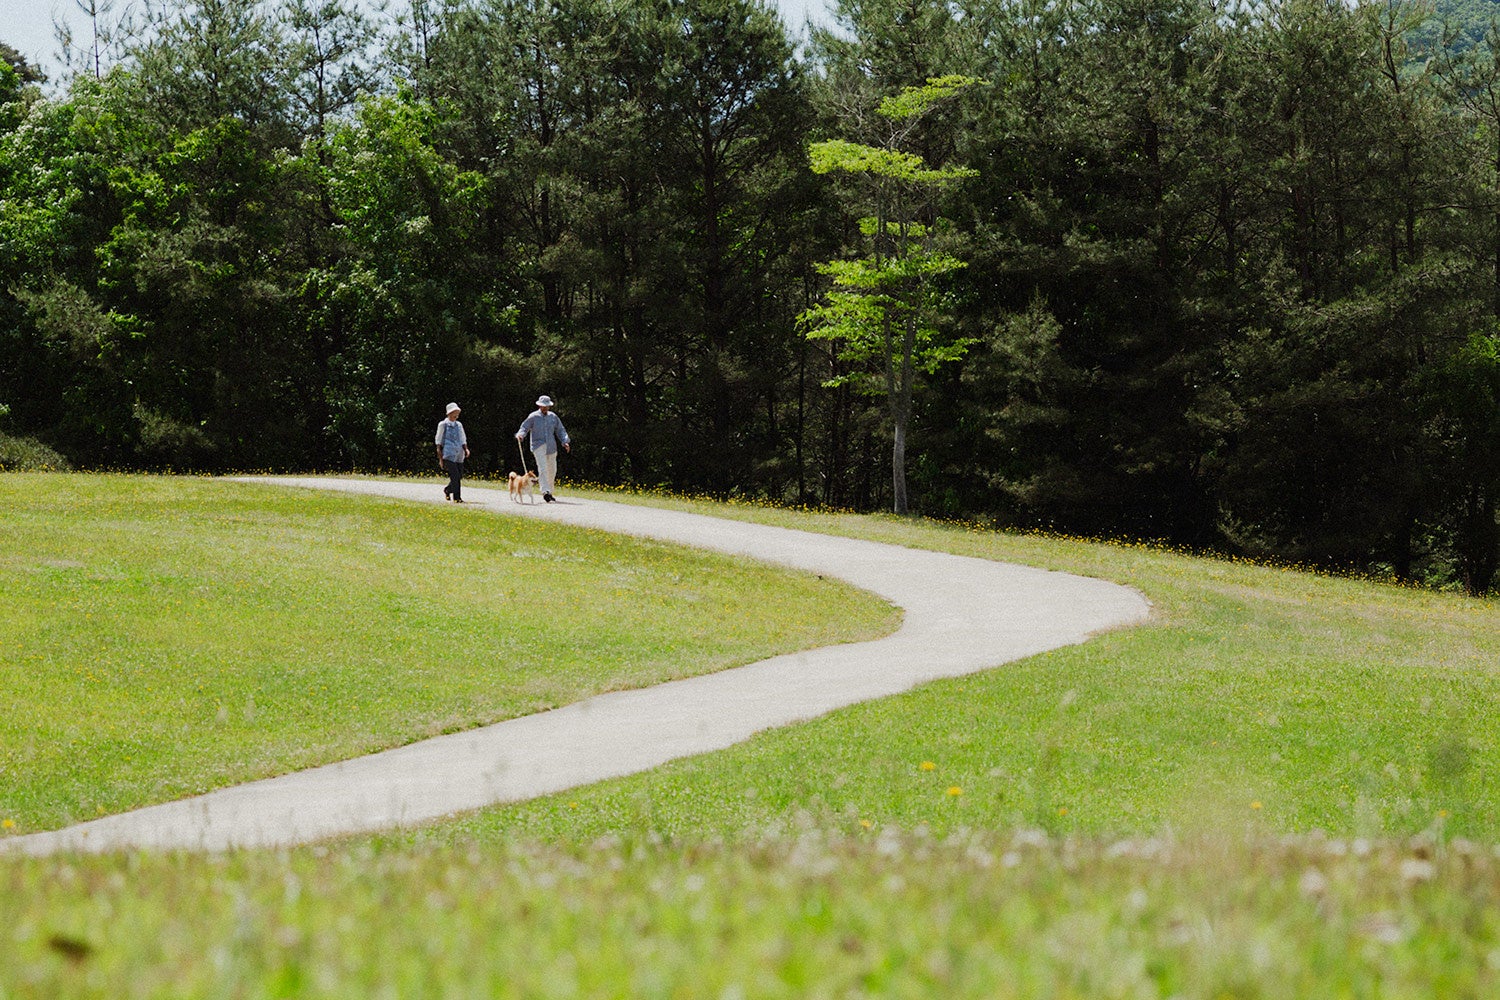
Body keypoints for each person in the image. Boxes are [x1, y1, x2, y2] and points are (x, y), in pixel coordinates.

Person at [515, 394, 570, 502]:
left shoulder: (553, 417)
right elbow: (524, 427)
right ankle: (545, 492)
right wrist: (520, 435)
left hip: (551, 446)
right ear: (539, 406)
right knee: (543, 468)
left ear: (549, 406)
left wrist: (565, 442)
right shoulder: (533, 416)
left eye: (546, 406)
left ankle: (549, 491)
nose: (544, 408)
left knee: (552, 470)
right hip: (538, 446)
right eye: (543, 406)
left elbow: (560, 430)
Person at [435, 402, 470, 503]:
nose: (456, 415)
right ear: (449, 413)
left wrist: (466, 449)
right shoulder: (443, 425)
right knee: (455, 476)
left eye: (457, 413)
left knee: (459, 475)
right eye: (454, 412)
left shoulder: (459, 425)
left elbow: (463, 438)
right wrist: (440, 459)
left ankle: (448, 490)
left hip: (459, 454)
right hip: (448, 454)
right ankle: (457, 498)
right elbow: (439, 442)